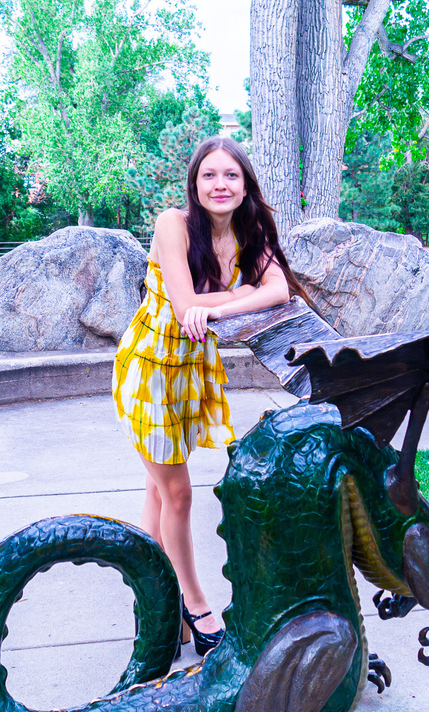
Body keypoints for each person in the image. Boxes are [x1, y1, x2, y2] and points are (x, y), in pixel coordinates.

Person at [112, 136, 309, 655]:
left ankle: (153, 598)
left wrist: (225, 304)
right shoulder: (171, 225)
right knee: (178, 494)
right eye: (209, 175)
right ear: (194, 183)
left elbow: (279, 291)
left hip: (194, 368)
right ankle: (195, 604)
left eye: (231, 176)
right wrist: (240, 295)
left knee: (159, 491)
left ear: (245, 187)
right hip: (150, 373)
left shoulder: (249, 231)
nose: (220, 185)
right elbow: (182, 307)